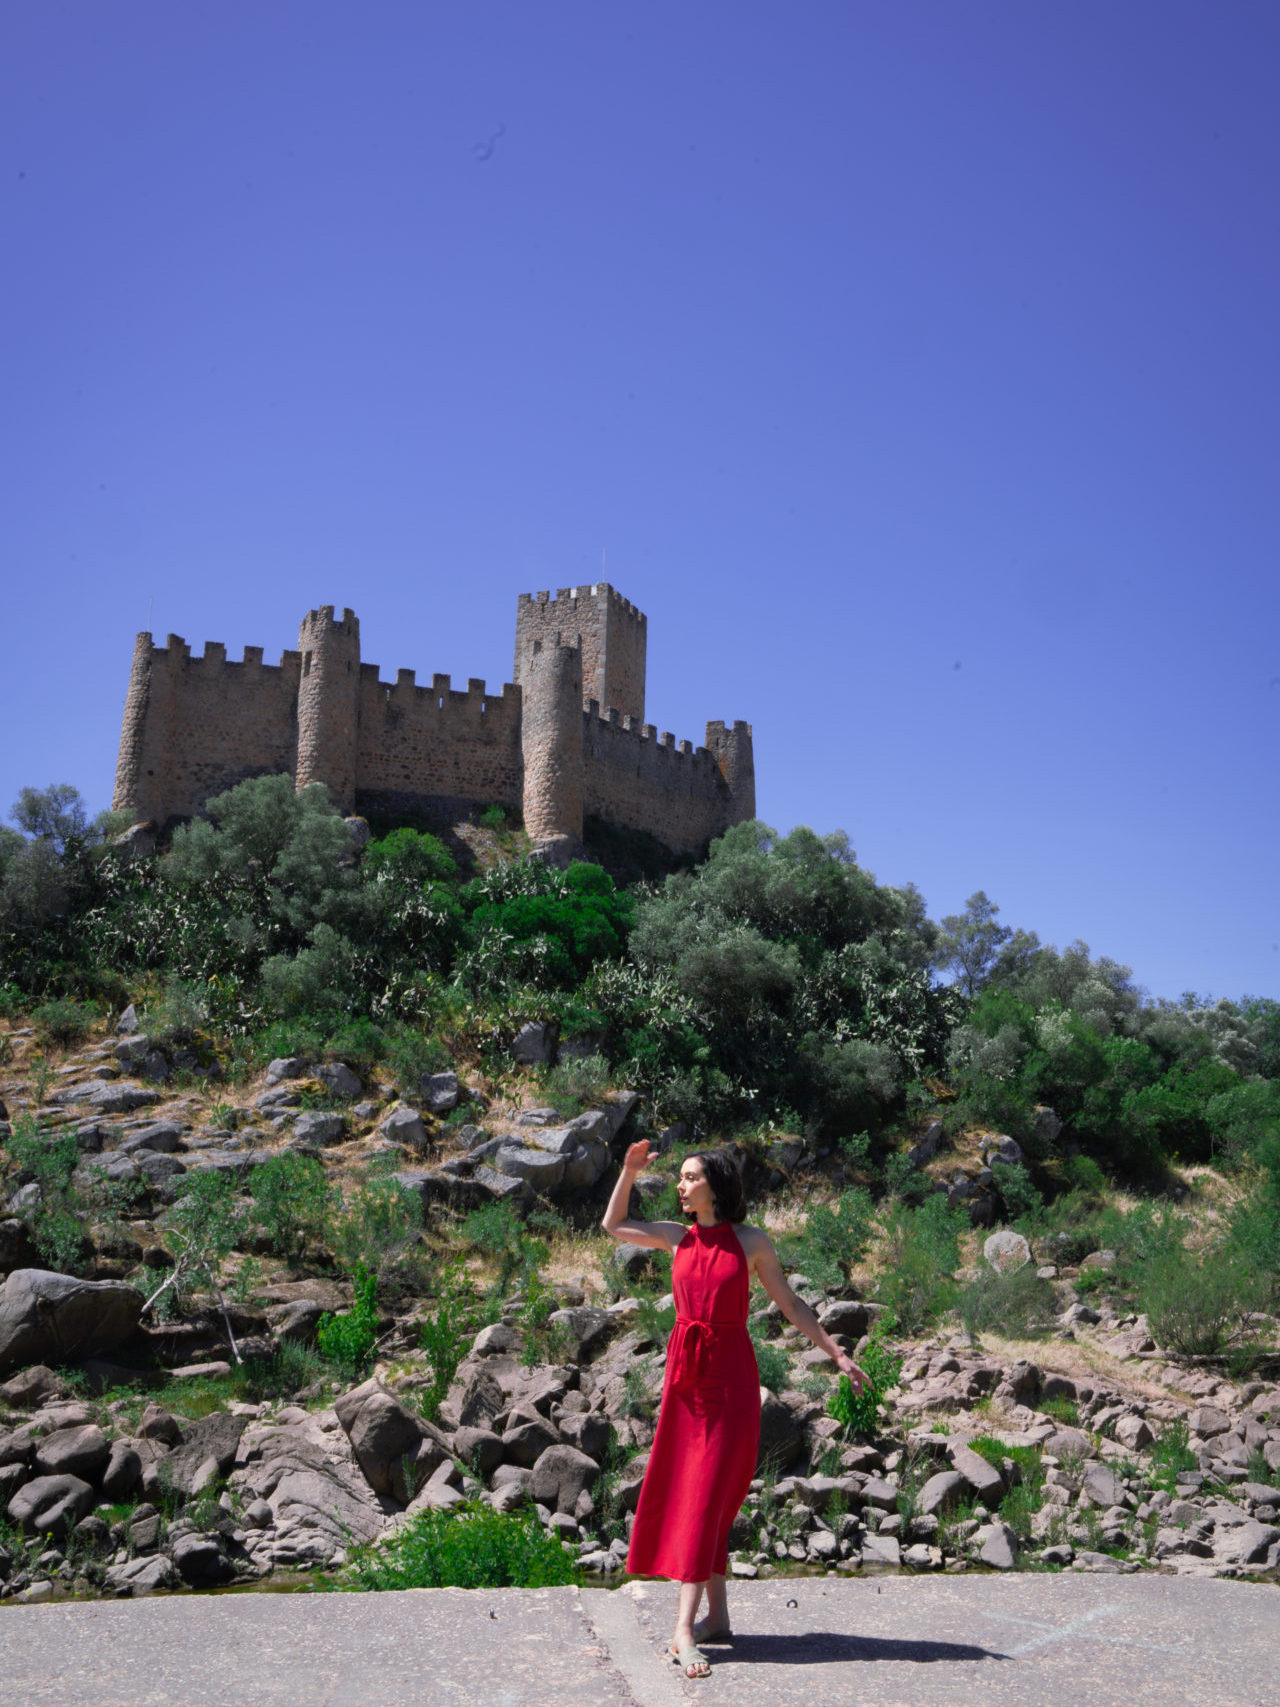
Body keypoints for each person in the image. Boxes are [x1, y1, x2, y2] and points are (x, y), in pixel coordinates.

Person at [602, 1140, 867, 1680]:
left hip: (731, 1380)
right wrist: (628, 1172)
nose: (680, 1185)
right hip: (684, 1380)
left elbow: (789, 1303)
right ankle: (715, 1618)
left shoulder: (751, 1242)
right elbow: (614, 1224)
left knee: (707, 1496)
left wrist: (836, 1352)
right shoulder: (677, 1237)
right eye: (677, 1177)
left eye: (689, 1177)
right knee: (699, 1492)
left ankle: (682, 1630)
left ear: (715, 1185)